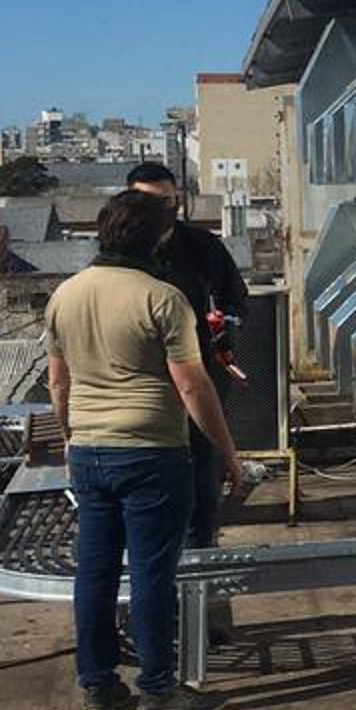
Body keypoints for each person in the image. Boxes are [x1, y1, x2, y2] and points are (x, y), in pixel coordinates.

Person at [44, 189, 244, 710]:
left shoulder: (65, 294)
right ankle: (157, 690)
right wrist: (227, 452)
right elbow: (193, 386)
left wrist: (70, 437)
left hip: (88, 449)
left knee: (96, 572)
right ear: (155, 240)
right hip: (152, 451)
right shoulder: (163, 298)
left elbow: (57, 382)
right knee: (154, 573)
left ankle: (99, 687)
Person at [124, 161, 251, 551]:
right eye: (149, 203)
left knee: (201, 461)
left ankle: (199, 546)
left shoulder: (201, 246)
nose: (160, 212)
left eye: (167, 202)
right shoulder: (120, 249)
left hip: (198, 369)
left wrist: (225, 328)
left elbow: (235, 298)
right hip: (141, 380)